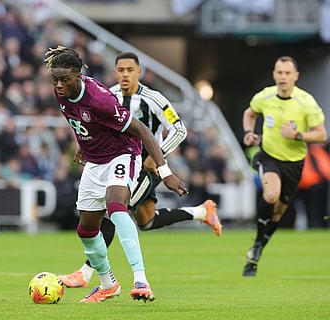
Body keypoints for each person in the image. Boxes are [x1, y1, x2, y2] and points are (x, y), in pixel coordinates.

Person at [59, 51, 222, 289]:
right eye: (120, 70)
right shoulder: (108, 94)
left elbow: (179, 130)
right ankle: (201, 212)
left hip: (143, 162)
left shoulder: (155, 100)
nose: (125, 75)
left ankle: (86, 273)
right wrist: (85, 145)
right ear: (115, 73)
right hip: (115, 159)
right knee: (145, 221)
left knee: (114, 207)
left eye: (129, 70)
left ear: (138, 72)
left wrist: (158, 157)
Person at [44, 46, 189, 303]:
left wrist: (164, 171)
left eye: (64, 79)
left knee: (116, 207)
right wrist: (83, 143)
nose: (58, 85)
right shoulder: (63, 92)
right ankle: (108, 284)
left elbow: (142, 130)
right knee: (86, 230)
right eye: (55, 79)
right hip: (95, 162)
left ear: (78, 76)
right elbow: (83, 120)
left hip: (123, 154)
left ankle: (141, 280)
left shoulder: (101, 99)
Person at [241, 56, 327, 277]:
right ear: (274, 74)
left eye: (287, 73)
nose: (283, 77)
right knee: (271, 195)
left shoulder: (306, 102)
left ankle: (257, 246)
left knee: (278, 213)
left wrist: (297, 135)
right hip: (268, 156)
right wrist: (249, 133)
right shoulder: (265, 96)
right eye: (279, 72)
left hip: (294, 163)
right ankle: (258, 244)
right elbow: (249, 113)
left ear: (295, 76)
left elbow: (322, 134)